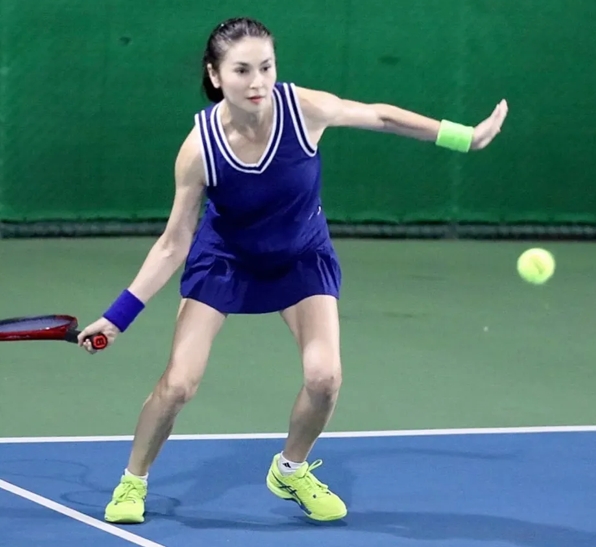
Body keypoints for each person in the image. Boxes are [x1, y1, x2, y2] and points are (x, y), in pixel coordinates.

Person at [77, 17, 508, 524]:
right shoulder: (199, 149)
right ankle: (133, 481)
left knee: (324, 378)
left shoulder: (303, 111)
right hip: (227, 260)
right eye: (242, 70)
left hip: (301, 255)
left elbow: (381, 116)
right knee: (178, 385)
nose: (257, 82)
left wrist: (464, 137)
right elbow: (174, 244)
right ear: (215, 75)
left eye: (266, 67)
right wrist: (118, 317)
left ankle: (290, 469)